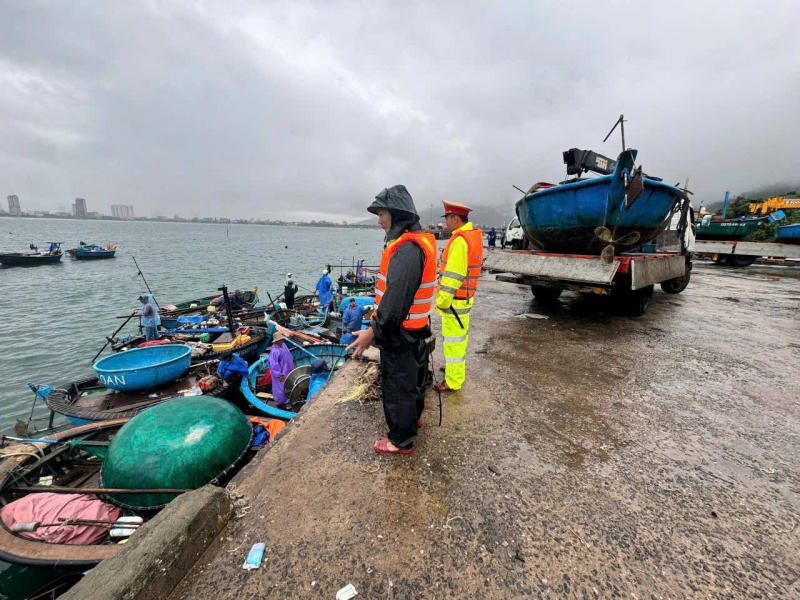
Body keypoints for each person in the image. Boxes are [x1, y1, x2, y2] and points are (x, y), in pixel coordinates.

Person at [347, 185, 437, 455]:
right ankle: (413, 420)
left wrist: (371, 332)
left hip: (400, 333)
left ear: (397, 215)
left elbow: (394, 303)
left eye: (381, 214)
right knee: (414, 380)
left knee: (398, 386)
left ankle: (400, 440)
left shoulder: (407, 249)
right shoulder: (418, 242)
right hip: (415, 329)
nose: (378, 221)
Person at [434, 201, 483, 393]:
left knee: (454, 340)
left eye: (447, 219)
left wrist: (441, 301)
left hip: (454, 301)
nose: (445, 223)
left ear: (455, 219)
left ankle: (453, 381)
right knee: (458, 338)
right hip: (464, 298)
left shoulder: (459, 241)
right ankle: (452, 366)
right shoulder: (471, 236)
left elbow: (453, 277)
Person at [269, 332, 295, 409]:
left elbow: (289, 356)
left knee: (289, 385)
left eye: (282, 339)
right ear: (276, 341)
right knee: (281, 388)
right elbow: (274, 364)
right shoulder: (274, 351)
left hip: (288, 369)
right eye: (280, 340)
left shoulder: (284, 345)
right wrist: (278, 375)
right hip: (281, 373)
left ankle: (285, 400)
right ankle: (285, 402)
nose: (281, 340)